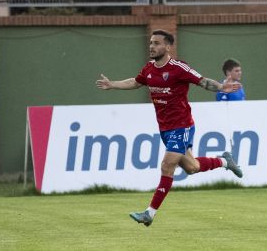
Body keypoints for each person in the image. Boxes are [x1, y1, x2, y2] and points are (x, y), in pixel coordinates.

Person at [96, 30, 244, 226]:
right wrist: (112, 84)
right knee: (192, 168)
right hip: (165, 128)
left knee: (167, 165)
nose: (151, 46)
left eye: (156, 43)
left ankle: (149, 213)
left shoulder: (178, 67)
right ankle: (225, 161)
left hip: (182, 125)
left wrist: (221, 87)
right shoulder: (149, 69)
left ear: (167, 47)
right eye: (150, 42)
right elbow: (135, 81)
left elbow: (202, 81)